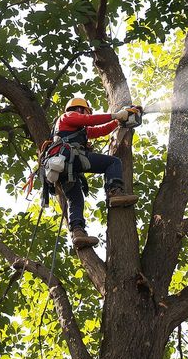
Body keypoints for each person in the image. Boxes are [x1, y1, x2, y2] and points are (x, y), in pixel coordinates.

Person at [51, 97, 138, 249]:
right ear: (80, 109)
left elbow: (100, 131)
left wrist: (118, 121)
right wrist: (116, 114)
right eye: (86, 110)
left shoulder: (76, 128)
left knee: (76, 200)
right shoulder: (68, 116)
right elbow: (90, 120)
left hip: (64, 167)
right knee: (113, 162)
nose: (87, 114)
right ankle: (115, 192)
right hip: (71, 159)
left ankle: (78, 232)